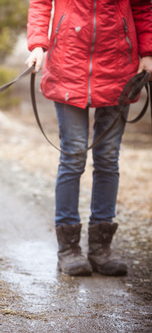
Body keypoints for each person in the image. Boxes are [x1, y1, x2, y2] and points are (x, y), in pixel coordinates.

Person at [25, 0, 152, 276]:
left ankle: (101, 248)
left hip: (119, 68)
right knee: (73, 156)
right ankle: (68, 249)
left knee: (108, 157)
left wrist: (147, 51)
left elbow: (143, 8)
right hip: (67, 67)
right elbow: (40, 4)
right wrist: (38, 45)